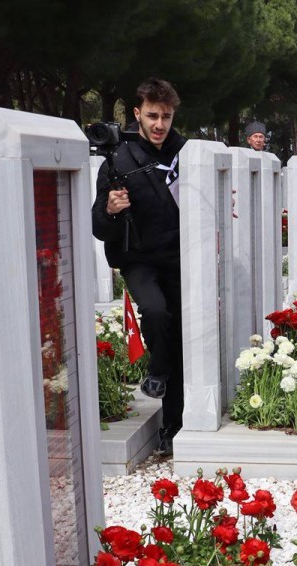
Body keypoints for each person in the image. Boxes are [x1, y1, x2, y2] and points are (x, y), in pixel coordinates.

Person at [92, 78, 187, 457]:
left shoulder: (186, 154)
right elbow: (99, 227)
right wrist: (111, 210)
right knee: (155, 310)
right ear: (137, 114)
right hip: (138, 259)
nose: (159, 124)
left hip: (180, 259)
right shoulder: (117, 160)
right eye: (152, 116)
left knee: (179, 339)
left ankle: (173, 426)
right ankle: (157, 370)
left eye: (166, 116)